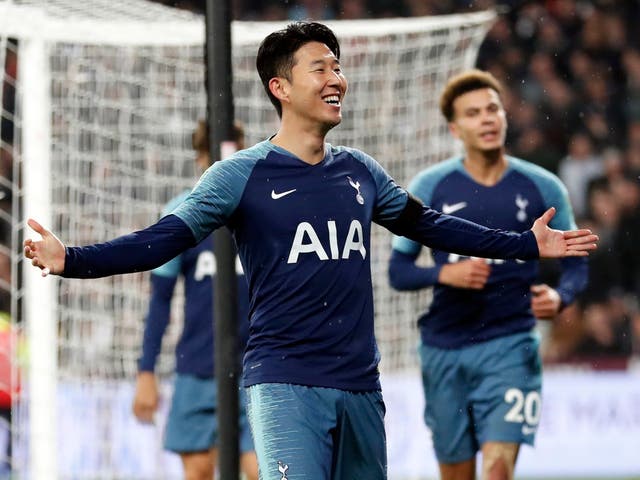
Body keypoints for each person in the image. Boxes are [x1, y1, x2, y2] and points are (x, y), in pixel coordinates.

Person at [24, 23, 597, 480]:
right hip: (285, 383)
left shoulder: (361, 172)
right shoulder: (238, 176)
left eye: (339, 67)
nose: (337, 78)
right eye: (320, 67)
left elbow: (434, 228)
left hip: (360, 386)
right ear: (281, 87)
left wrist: (525, 244)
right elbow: (161, 241)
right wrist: (72, 258)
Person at [388, 69, 590, 480]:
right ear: (454, 127)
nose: (487, 119)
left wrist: (560, 297)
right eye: (474, 112)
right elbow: (398, 271)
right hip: (444, 348)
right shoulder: (430, 185)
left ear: (505, 117)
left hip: (511, 345)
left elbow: (576, 262)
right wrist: (445, 275)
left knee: (498, 471)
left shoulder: (542, 187)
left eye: (493, 109)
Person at [131, 120, 258, 480]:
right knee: (198, 471)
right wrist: (146, 371)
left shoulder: (259, 210)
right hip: (198, 367)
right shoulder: (182, 211)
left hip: (257, 369)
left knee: (263, 469)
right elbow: (160, 300)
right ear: (200, 158)